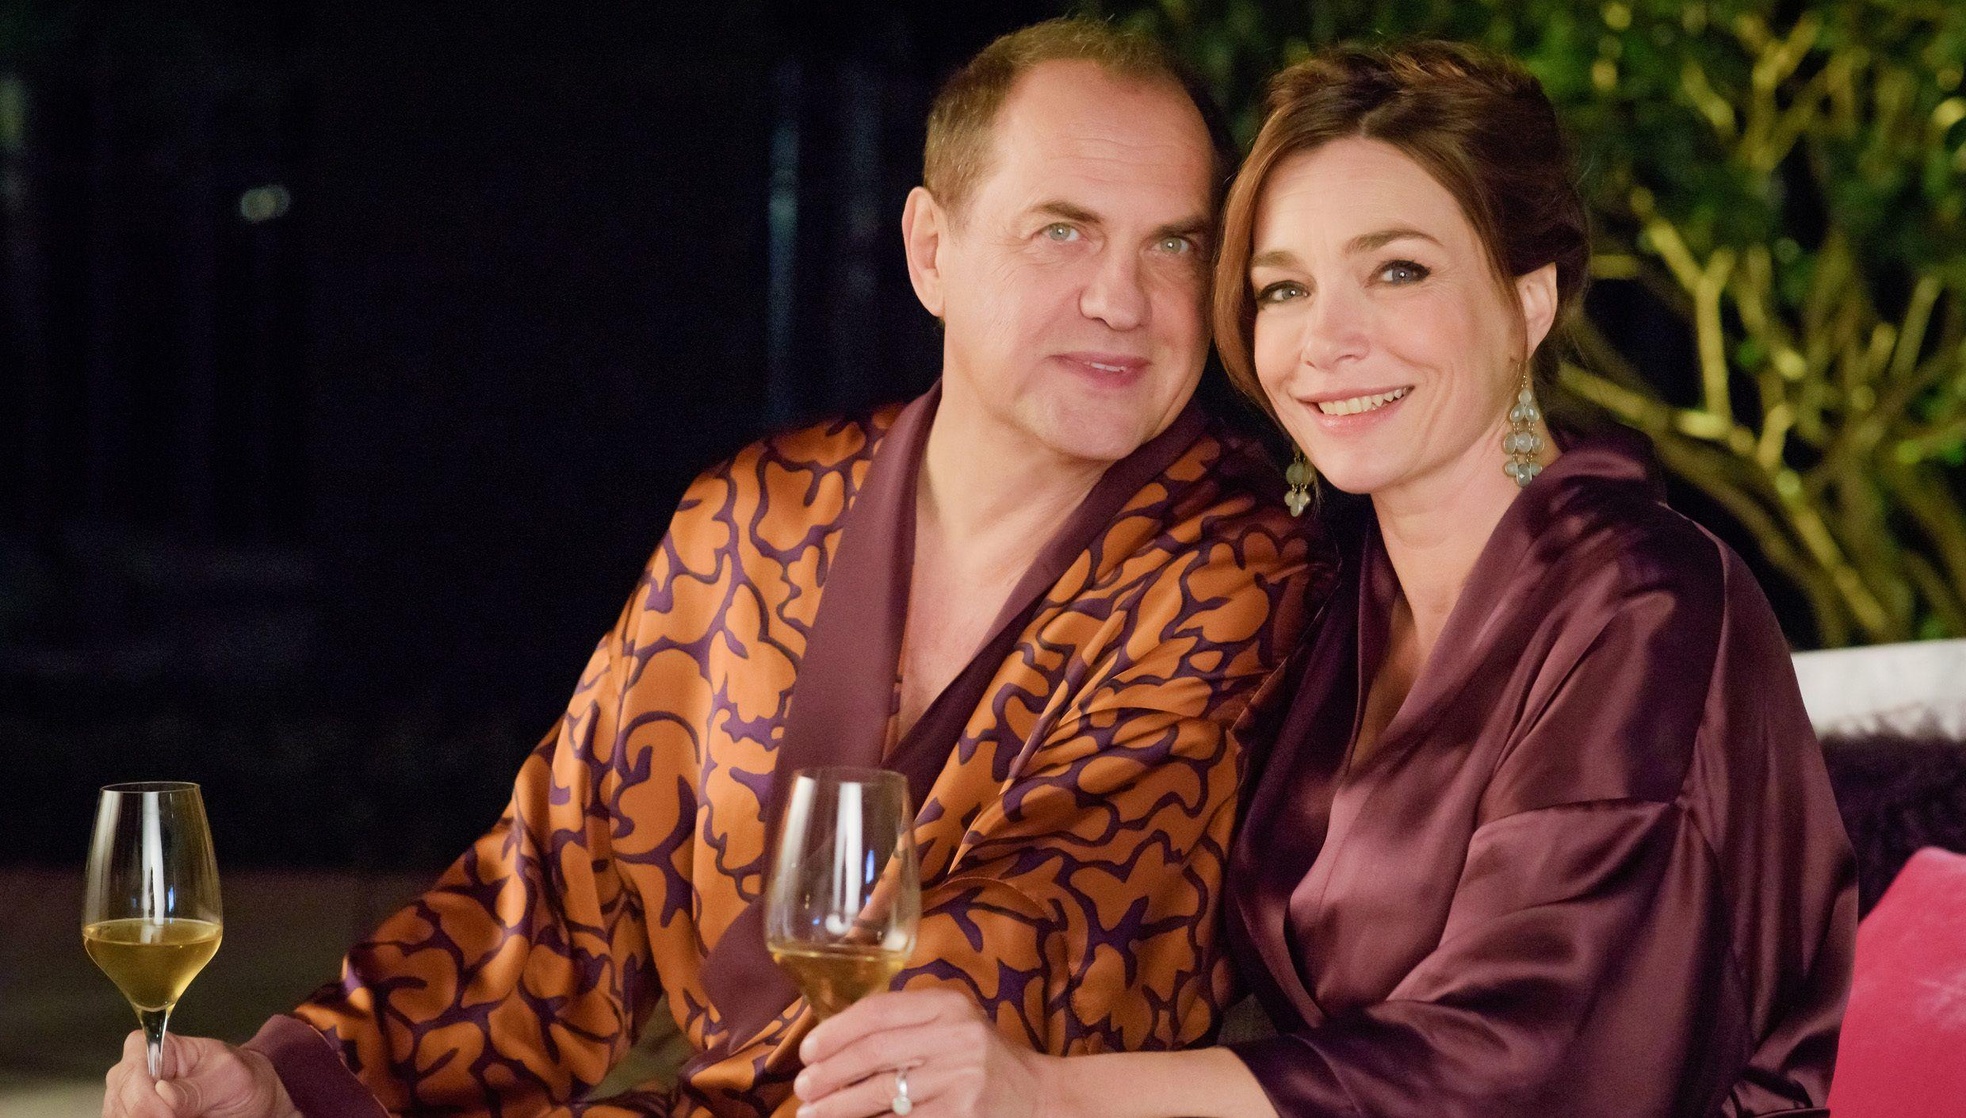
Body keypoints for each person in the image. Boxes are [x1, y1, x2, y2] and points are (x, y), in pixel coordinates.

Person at [101, 18, 1325, 1118]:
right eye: (1062, 231)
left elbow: (1029, 956)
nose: (1122, 299)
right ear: (930, 249)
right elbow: (554, 891)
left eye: (1176, 244)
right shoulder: (754, 514)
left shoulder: (1238, 569)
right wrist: (290, 1080)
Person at [792, 41, 1857, 1118]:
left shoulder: (1648, 602)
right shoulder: (1328, 595)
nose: (1326, 340)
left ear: (1529, 299)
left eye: (1398, 271)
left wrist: (1051, 1094)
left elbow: (1539, 1057)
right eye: (1284, 288)